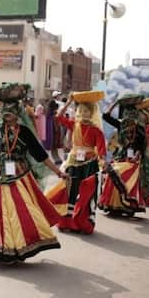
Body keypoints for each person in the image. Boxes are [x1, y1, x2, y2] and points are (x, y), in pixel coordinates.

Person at [0, 84, 67, 263]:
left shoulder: (24, 132)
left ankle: (18, 246)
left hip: (19, 174)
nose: (6, 117)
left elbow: (41, 155)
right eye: (4, 114)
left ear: (17, 115)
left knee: (20, 211)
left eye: (9, 114)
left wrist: (58, 172)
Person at [45, 92, 106, 234]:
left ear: (92, 113)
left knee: (85, 193)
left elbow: (101, 149)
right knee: (71, 192)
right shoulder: (74, 124)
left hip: (89, 164)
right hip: (73, 162)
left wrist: (103, 161)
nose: (84, 113)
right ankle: (66, 222)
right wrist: (69, 102)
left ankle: (82, 223)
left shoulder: (96, 131)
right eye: (82, 111)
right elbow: (59, 117)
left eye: (87, 111)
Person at [99, 95, 147, 218]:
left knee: (127, 181)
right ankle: (113, 205)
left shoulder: (140, 129)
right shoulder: (121, 125)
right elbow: (105, 116)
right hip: (120, 156)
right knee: (112, 177)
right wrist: (115, 103)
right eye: (126, 117)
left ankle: (128, 206)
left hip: (132, 160)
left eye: (131, 117)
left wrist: (138, 154)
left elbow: (143, 145)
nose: (128, 120)